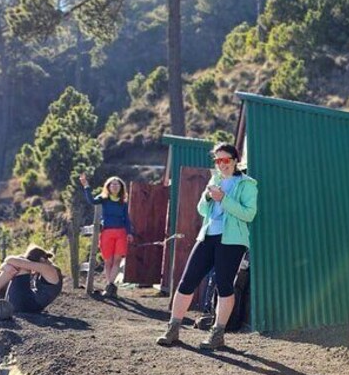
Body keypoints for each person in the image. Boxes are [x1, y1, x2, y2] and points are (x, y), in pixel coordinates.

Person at [156, 142, 257, 349]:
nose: (222, 164)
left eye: (226, 160)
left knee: (224, 286)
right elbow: (202, 210)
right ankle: (173, 329)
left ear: (235, 160)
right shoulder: (215, 179)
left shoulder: (248, 184)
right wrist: (207, 196)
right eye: (218, 160)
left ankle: (217, 334)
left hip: (232, 241)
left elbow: (249, 214)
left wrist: (224, 199)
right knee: (186, 281)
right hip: (208, 236)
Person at [79, 174, 134, 297]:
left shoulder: (123, 202)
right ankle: (110, 287)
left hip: (121, 232)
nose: (115, 186)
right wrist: (86, 186)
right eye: (112, 184)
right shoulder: (103, 198)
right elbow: (91, 201)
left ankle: (109, 285)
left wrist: (129, 233)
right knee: (108, 261)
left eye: (117, 184)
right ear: (108, 187)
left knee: (117, 260)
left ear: (121, 187)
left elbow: (127, 219)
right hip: (107, 233)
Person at [0, 244, 63, 315]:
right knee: (18, 266)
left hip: (26, 306)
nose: (33, 270)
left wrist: (7, 264)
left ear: (42, 259)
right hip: (28, 304)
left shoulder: (49, 269)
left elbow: (12, 260)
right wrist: (5, 266)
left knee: (21, 267)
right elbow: (17, 260)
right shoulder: (47, 267)